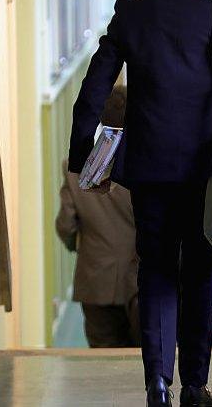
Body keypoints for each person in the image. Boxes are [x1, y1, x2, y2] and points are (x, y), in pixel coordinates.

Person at [68, 0, 212, 407]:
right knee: (198, 270)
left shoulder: (132, 9)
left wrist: (81, 156)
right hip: (205, 167)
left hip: (148, 167)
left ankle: (156, 384)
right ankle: (194, 384)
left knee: (153, 269)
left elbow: (95, 85)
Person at [56, 85, 139, 348]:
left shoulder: (76, 168)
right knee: (146, 360)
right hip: (141, 281)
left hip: (95, 279)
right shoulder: (148, 167)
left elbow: (66, 224)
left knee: (103, 361)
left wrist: (76, 244)